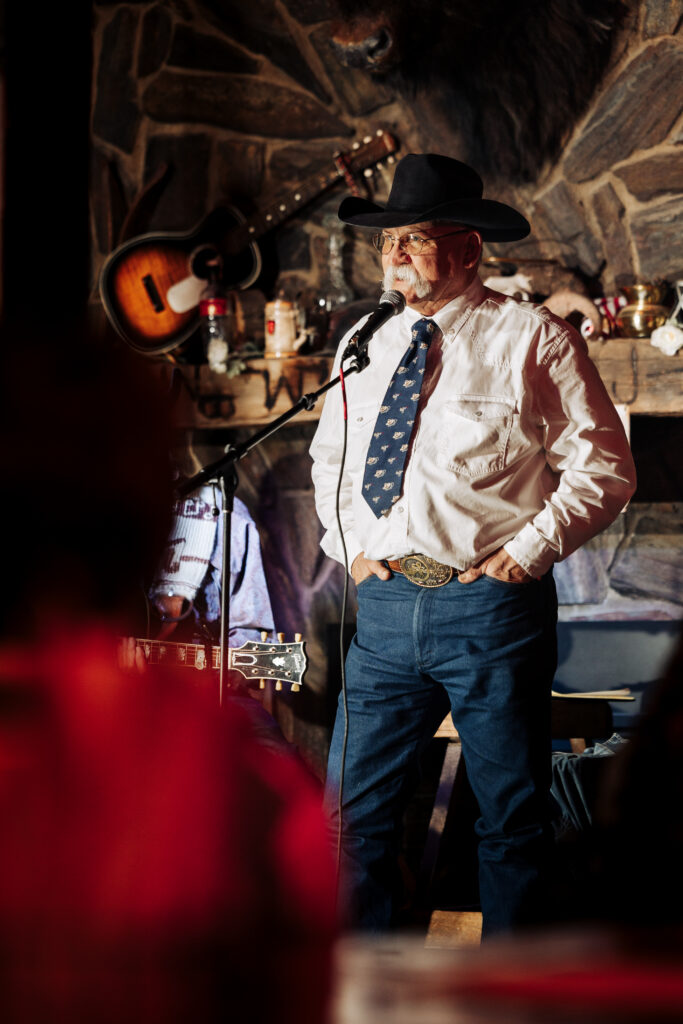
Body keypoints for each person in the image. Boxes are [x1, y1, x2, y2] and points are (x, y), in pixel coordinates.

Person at [309, 153, 636, 937]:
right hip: (384, 611)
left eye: (415, 240)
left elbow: (603, 466)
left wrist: (524, 555)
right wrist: (347, 546)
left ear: (467, 250)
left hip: (486, 612)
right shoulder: (365, 339)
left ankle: (510, 999)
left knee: (509, 825)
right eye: (389, 240)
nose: (395, 255)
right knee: (348, 822)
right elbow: (331, 457)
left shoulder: (531, 338)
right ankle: (362, 991)